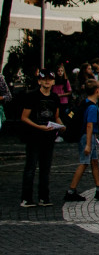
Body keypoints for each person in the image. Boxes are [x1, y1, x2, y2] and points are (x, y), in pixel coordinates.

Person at [18, 70, 64, 208]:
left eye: (50, 79)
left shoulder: (55, 98)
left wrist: (61, 125)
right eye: (44, 79)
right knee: (31, 167)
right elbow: (24, 117)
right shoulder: (32, 96)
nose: (47, 82)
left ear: (53, 82)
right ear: (39, 81)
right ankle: (27, 198)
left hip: (48, 137)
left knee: (45, 168)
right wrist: (38, 127)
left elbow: (56, 116)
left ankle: (44, 197)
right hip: (34, 136)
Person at [63, 77, 99, 203]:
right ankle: (71, 191)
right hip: (87, 137)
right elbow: (90, 125)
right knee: (84, 162)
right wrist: (89, 144)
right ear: (97, 90)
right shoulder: (93, 107)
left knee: (94, 162)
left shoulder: (85, 102)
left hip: (88, 136)